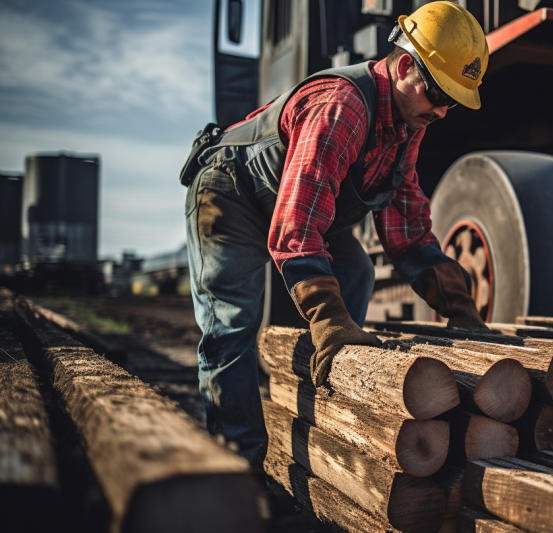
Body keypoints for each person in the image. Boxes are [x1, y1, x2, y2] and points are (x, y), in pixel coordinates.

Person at [180, 1, 490, 467]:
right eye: (440, 95)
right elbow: (297, 227)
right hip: (230, 196)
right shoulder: (342, 105)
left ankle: (326, 387)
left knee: (356, 271)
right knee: (231, 329)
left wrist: (453, 296)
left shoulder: (408, 122)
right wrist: (326, 314)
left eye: (452, 102)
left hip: (291, 204)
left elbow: (404, 214)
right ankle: (237, 465)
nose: (443, 112)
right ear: (406, 66)